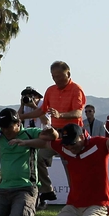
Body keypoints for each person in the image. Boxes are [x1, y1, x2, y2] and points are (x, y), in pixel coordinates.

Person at [13, 116, 109, 216]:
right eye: (66, 143)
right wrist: (25, 143)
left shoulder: (98, 144)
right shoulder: (64, 147)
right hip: (74, 203)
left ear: (82, 137)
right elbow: (44, 144)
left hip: (99, 203)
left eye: (73, 143)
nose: (70, 147)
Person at [21, 61, 85, 207]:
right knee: (39, 157)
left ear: (68, 74)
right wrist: (21, 117)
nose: (57, 79)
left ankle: (77, 199)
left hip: (73, 133)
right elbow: (41, 111)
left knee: (70, 165)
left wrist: (60, 115)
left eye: (60, 76)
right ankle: (47, 190)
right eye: (54, 76)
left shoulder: (76, 89)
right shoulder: (50, 90)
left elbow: (78, 112)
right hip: (55, 133)